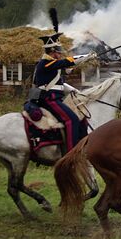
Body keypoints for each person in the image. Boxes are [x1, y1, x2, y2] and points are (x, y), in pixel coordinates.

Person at [32, 8, 95, 152]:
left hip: (56, 98)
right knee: (71, 120)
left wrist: (73, 90)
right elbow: (68, 62)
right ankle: (71, 152)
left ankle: (83, 148)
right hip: (48, 99)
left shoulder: (52, 65)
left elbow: (58, 82)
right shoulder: (45, 63)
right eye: (57, 52)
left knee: (81, 117)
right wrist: (87, 56)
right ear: (52, 52)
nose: (59, 55)